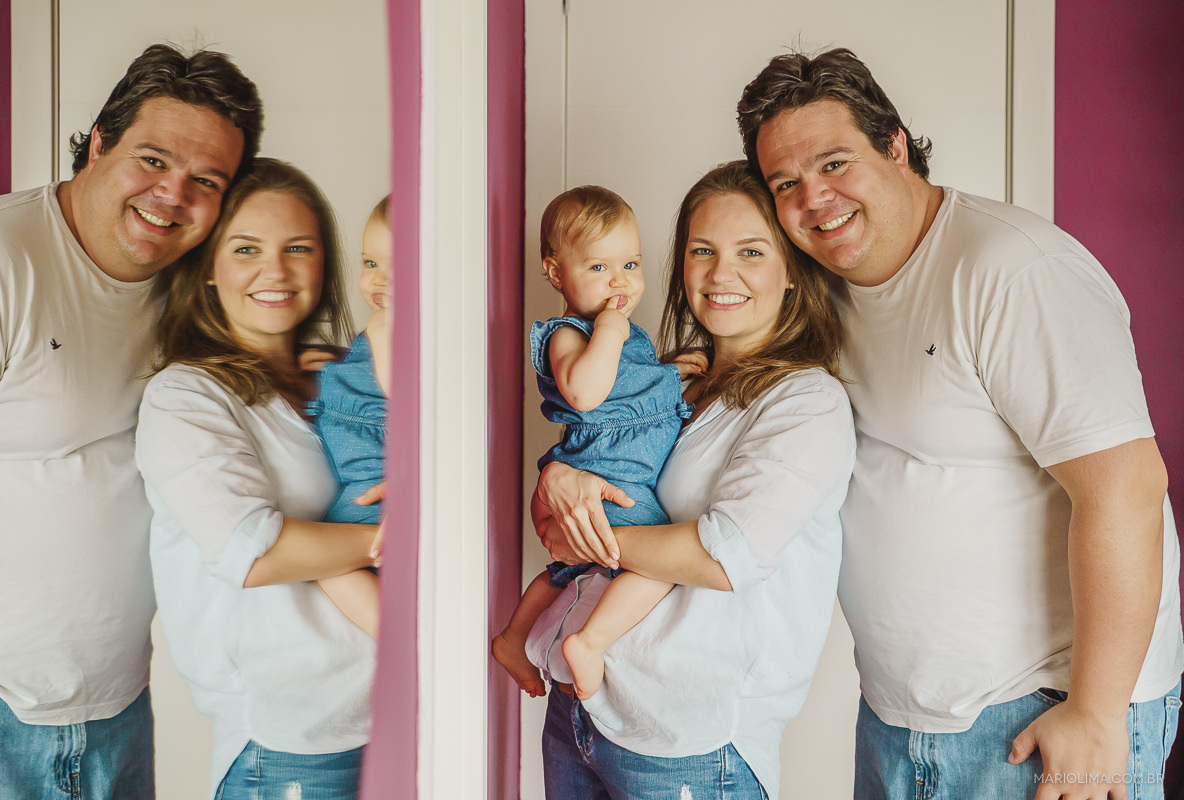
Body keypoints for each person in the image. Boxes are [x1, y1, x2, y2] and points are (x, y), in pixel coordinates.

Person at [736, 47, 1184, 800]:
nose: (814, 199)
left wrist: (1098, 715)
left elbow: (1126, 491)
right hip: (899, 724)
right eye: (787, 183)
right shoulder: (826, 290)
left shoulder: (1012, 270)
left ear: (895, 145)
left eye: (835, 163)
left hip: (1041, 725)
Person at [0, 44, 261, 798]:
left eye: (206, 181)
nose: (173, 195)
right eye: (153, 159)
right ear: (99, 143)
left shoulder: (199, 292)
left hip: (118, 704)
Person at [529, 161, 855, 799]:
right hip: (579, 709)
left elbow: (722, 555)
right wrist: (561, 476)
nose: (719, 273)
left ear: (793, 269)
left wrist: (585, 538)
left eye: (751, 252)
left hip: (689, 736)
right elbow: (595, 471)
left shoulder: (806, 402)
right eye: (701, 250)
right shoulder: (666, 379)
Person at [135, 158, 378, 799]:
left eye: (298, 248)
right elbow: (254, 549)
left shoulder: (345, 384)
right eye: (246, 249)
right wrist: (395, 536)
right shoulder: (185, 396)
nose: (276, 271)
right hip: (288, 743)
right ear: (209, 267)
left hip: (388, 716)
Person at [491, 186, 706, 701]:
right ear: (555, 272)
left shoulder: (625, 336)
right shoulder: (568, 333)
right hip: (609, 471)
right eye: (598, 268)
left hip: (617, 467)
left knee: (569, 566)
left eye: (630, 264)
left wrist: (665, 374)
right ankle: (590, 641)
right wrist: (609, 330)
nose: (620, 282)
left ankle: (514, 637)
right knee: (660, 561)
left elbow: (623, 388)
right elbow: (587, 394)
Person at [310, 195, 392, 527]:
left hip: (373, 486)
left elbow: (402, 391)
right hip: (370, 481)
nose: (377, 278)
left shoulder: (384, 322)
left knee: (334, 566)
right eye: (370, 263)